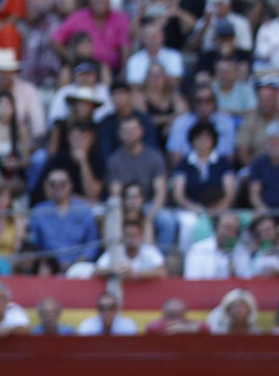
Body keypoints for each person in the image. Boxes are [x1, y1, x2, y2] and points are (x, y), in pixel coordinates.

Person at [105, 117, 175, 250]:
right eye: (125, 130)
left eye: (133, 130)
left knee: (167, 221)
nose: (129, 133)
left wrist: (150, 215)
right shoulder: (114, 160)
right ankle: (116, 257)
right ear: (120, 134)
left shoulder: (154, 156)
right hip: (126, 205)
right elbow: (116, 193)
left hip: (148, 205)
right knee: (111, 217)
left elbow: (160, 191)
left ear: (141, 131)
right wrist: (127, 211)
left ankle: (160, 260)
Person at [27, 168, 100, 273]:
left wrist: (78, 262)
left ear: (70, 185)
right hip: (49, 268)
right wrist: (50, 264)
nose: (58, 188)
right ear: (47, 186)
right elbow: (35, 244)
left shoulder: (83, 209)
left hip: (79, 266)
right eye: (53, 184)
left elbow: (92, 242)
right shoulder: (39, 212)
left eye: (62, 184)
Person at [0, 48, 45, 149]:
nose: (4, 75)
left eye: (7, 71)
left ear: (13, 71)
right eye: (0, 70)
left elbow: (38, 127)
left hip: (23, 146)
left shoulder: (28, 91)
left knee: (40, 157)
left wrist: (29, 149)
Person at [173, 121, 238, 223]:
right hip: (191, 209)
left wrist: (217, 209)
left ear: (213, 140)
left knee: (227, 220)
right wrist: (195, 208)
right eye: (199, 138)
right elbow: (179, 195)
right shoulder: (184, 164)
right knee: (188, 222)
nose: (202, 142)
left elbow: (229, 194)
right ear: (192, 140)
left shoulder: (223, 163)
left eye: (206, 138)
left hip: (219, 209)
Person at [50, 0, 130, 73]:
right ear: (91, 2)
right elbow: (55, 40)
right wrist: (70, 56)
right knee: (66, 72)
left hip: (114, 70)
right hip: (82, 68)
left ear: (109, 2)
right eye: (97, 0)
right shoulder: (78, 17)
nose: (100, 4)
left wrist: (124, 70)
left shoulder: (120, 19)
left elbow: (125, 46)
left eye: (103, 0)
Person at [94, 218, 165, 280]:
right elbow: (97, 271)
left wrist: (135, 274)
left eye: (135, 235)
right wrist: (112, 270)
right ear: (123, 237)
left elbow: (161, 271)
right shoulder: (116, 251)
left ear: (141, 236)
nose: (132, 239)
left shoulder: (149, 250)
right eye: (129, 235)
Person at [237, 77, 279, 166]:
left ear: (276, 99)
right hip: (257, 167)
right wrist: (254, 171)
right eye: (262, 99)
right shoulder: (250, 119)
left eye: (269, 99)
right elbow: (242, 149)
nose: (265, 102)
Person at [184, 211, 247, 277]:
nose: (228, 233)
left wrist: (234, 273)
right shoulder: (197, 250)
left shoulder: (242, 252)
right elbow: (192, 280)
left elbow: (246, 282)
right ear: (216, 227)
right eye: (226, 228)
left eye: (232, 229)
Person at [124, 19, 182, 84]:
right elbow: (134, 84)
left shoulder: (174, 56)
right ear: (143, 39)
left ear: (162, 37)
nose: (152, 40)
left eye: (155, 36)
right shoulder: (134, 60)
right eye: (149, 37)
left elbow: (176, 81)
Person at [249, 121, 279, 213]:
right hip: (264, 211)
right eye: (272, 140)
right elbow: (254, 195)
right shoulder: (258, 163)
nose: (275, 144)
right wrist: (263, 210)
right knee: (264, 225)